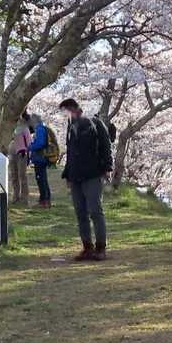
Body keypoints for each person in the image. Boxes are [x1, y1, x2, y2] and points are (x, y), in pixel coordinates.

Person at [59, 97, 113, 261]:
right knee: (80, 212)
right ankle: (87, 247)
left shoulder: (94, 123)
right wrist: (67, 174)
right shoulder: (70, 126)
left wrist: (107, 167)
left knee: (95, 210)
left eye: (65, 111)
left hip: (92, 173)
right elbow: (70, 152)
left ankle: (101, 247)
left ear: (73, 109)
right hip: (75, 175)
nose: (64, 115)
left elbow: (106, 145)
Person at [25, 112, 53, 208]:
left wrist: (30, 147)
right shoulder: (42, 128)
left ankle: (44, 201)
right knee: (42, 179)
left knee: (41, 180)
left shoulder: (40, 129)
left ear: (35, 121)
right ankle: (46, 200)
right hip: (41, 158)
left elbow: (40, 143)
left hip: (40, 158)